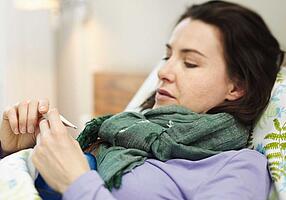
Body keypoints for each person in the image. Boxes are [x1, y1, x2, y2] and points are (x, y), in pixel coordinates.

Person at [0, 1, 284, 199]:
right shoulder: (122, 131)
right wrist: (12, 151)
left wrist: (77, 183)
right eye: (167, 56)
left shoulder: (239, 167)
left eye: (190, 63)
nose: (163, 71)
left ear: (236, 87)